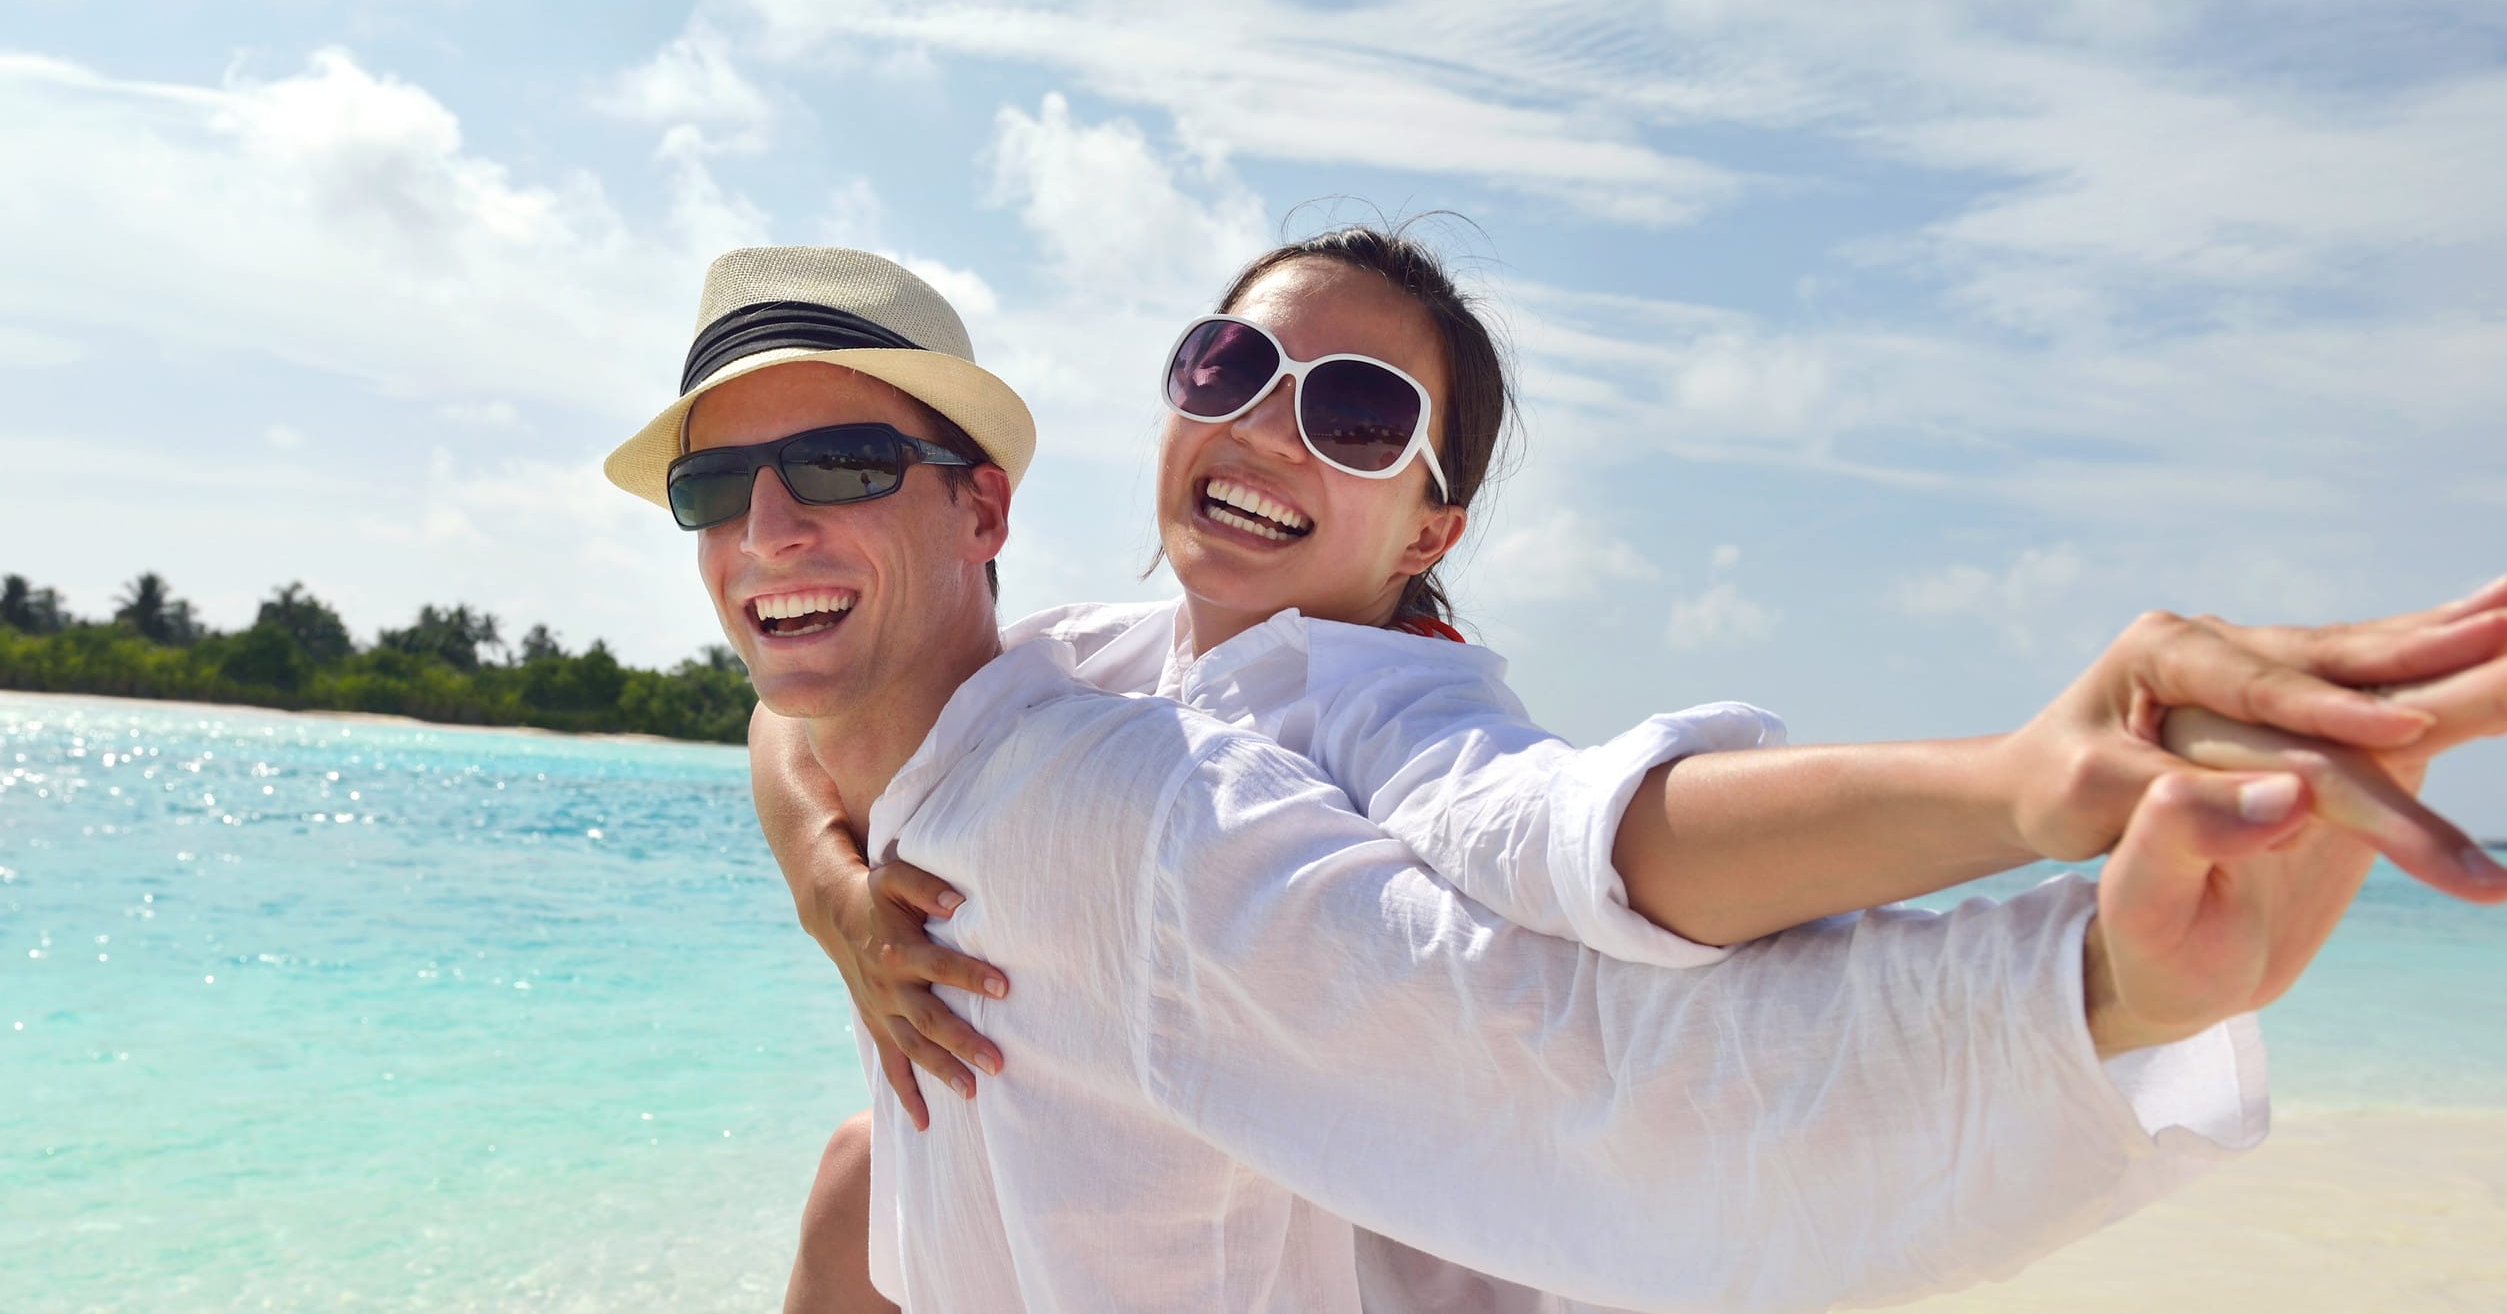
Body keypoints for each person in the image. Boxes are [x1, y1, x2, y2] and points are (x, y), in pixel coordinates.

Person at [606, 246, 2506, 1313]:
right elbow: (819, 709)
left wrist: (2016, 802)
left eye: (1353, 415)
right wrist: (830, 882)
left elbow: (1597, 852)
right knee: (863, 1175)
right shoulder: (1092, 662)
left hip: (1465, 1241)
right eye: (1232, 364)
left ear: (1430, 523)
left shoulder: (1385, 711)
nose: (1273, 423)